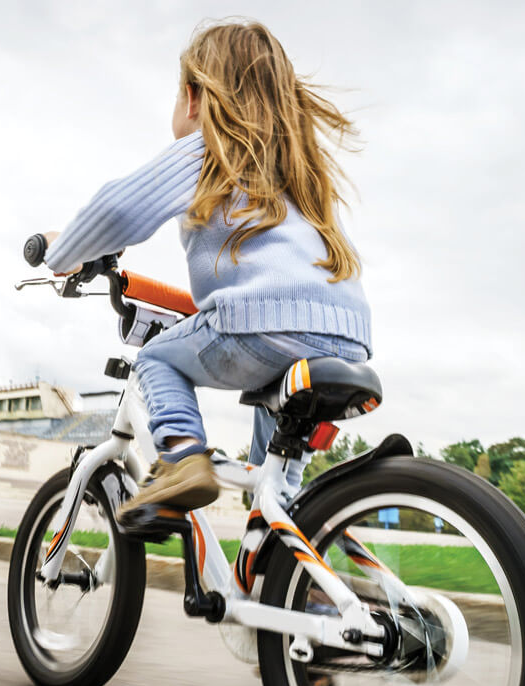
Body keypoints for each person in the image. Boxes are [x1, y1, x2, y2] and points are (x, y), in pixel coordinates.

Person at [40, 20, 372, 522]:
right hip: (348, 337)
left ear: (194, 98)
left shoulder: (209, 149)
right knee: (278, 486)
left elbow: (116, 210)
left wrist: (62, 252)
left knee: (155, 358)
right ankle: (291, 559)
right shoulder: (301, 175)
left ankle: (182, 459)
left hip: (260, 324)